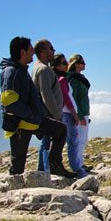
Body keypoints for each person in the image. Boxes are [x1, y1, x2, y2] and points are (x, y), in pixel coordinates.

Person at [0, 36, 69, 176]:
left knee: (60, 130)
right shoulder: (11, 72)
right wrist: (30, 114)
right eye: (31, 50)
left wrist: (36, 114)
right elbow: (9, 102)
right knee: (18, 164)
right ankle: (12, 190)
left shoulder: (22, 70)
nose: (33, 53)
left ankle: (54, 165)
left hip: (34, 120)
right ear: (22, 52)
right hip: (20, 123)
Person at [30, 38, 73, 176]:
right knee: (53, 138)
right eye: (51, 49)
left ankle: (45, 168)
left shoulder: (39, 68)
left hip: (44, 112)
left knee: (47, 141)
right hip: (48, 113)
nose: (53, 51)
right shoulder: (43, 69)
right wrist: (56, 114)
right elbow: (46, 94)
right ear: (43, 52)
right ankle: (49, 168)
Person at [52, 53, 85, 176]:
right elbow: (66, 98)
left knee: (67, 141)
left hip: (65, 113)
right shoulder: (62, 79)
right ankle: (77, 169)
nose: (67, 65)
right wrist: (74, 114)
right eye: (64, 63)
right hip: (67, 114)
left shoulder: (60, 78)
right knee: (72, 142)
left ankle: (73, 167)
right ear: (57, 66)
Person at [67, 53, 91, 174]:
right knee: (80, 140)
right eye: (82, 62)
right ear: (76, 64)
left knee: (83, 139)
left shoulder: (78, 78)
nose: (84, 64)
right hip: (80, 114)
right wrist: (80, 116)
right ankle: (78, 166)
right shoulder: (74, 80)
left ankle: (80, 164)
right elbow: (74, 99)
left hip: (83, 112)